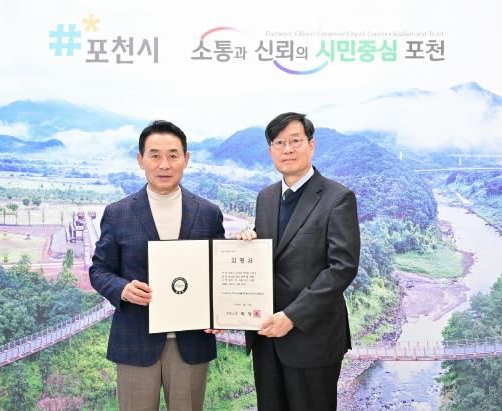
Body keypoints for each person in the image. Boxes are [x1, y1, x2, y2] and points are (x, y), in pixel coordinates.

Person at [89, 120, 225, 411]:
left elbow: (220, 272)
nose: (164, 164)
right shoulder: (118, 213)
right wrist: (123, 289)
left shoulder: (208, 213)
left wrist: (220, 312)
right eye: (155, 155)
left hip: (191, 342)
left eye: (173, 155)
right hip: (135, 342)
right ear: (140, 160)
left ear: (186, 159)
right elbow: (99, 270)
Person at [238, 112, 360, 410]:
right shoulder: (266, 197)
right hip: (266, 333)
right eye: (279, 143)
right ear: (270, 150)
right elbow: (272, 255)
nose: (287, 149)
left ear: (311, 145)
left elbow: (342, 267)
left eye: (295, 141)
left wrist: (292, 316)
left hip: (312, 336)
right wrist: (248, 245)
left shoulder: (338, 197)